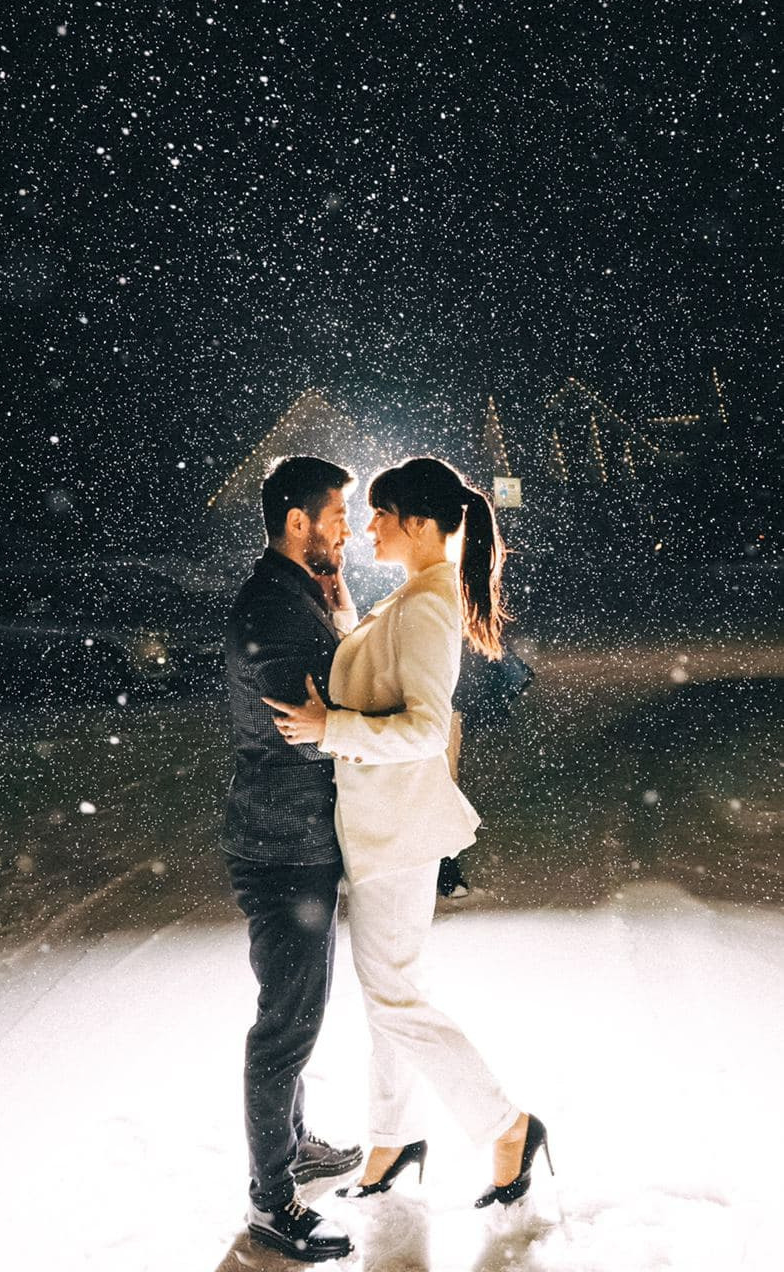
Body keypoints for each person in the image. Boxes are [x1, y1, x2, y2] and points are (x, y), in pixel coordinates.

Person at [264, 457, 552, 1211]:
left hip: (396, 832)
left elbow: (426, 728)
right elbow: (375, 667)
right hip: (384, 829)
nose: (368, 528)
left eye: (381, 515)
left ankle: (506, 1126)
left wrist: (331, 729)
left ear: (419, 525)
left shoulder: (427, 605)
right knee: (391, 992)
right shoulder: (414, 595)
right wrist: (341, 609)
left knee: (393, 997)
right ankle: (393, 1138)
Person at [222, 456, 362, 1263]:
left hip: (291, 838)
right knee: (286, 1028)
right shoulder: (275, 609)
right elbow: (301, 724)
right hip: (283, 847)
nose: (347, 529)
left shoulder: (291, 592)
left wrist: (338, 603)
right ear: (299, 521)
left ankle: (296, 1145)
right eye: (338, 515)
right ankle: (272, 1203)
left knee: (296, 1014)